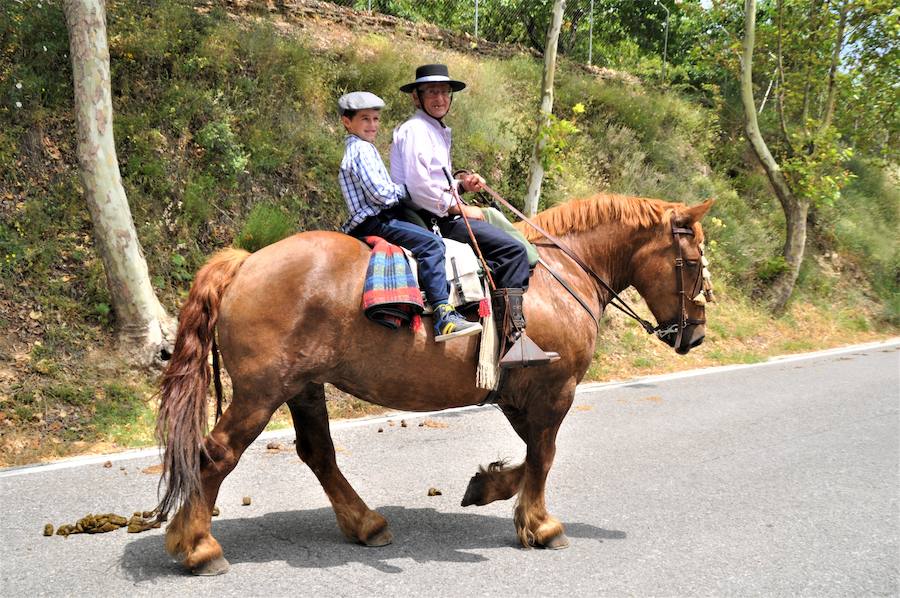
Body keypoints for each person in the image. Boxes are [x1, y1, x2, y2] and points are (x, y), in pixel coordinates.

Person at [389, 65, 558, 368]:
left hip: (437, 213)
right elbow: (418, 188)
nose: (440, 98)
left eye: (444, 91)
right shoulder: (416, 131)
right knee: (513, 250)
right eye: (432, 92)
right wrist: (458, 207)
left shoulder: (433, 130)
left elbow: (436, 182)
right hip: (429, 219)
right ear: (417, 98)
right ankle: (512, 341)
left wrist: (461, 185)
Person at [336, 90, 482, 342]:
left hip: (372, 218)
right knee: (431, 244)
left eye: (375, 119)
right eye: (365, 119)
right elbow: (381, 194)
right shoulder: (361, 150)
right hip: (376, 220)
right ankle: (442, 314)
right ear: (347, 122)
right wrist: (408, 189)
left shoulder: (360, 148)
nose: (372, 125)